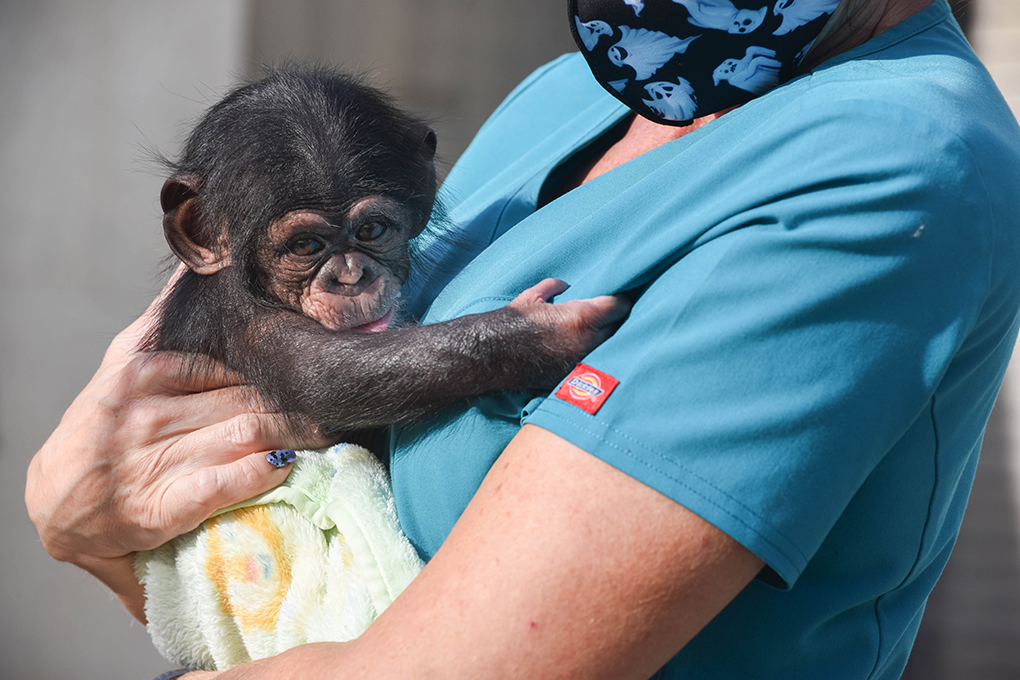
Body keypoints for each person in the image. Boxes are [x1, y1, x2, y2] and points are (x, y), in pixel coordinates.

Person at [26, 0, 1020, 678]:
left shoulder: (893, 160)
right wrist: (97, 525)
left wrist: (97, 533)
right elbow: (301, 584)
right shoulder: (575, 94)